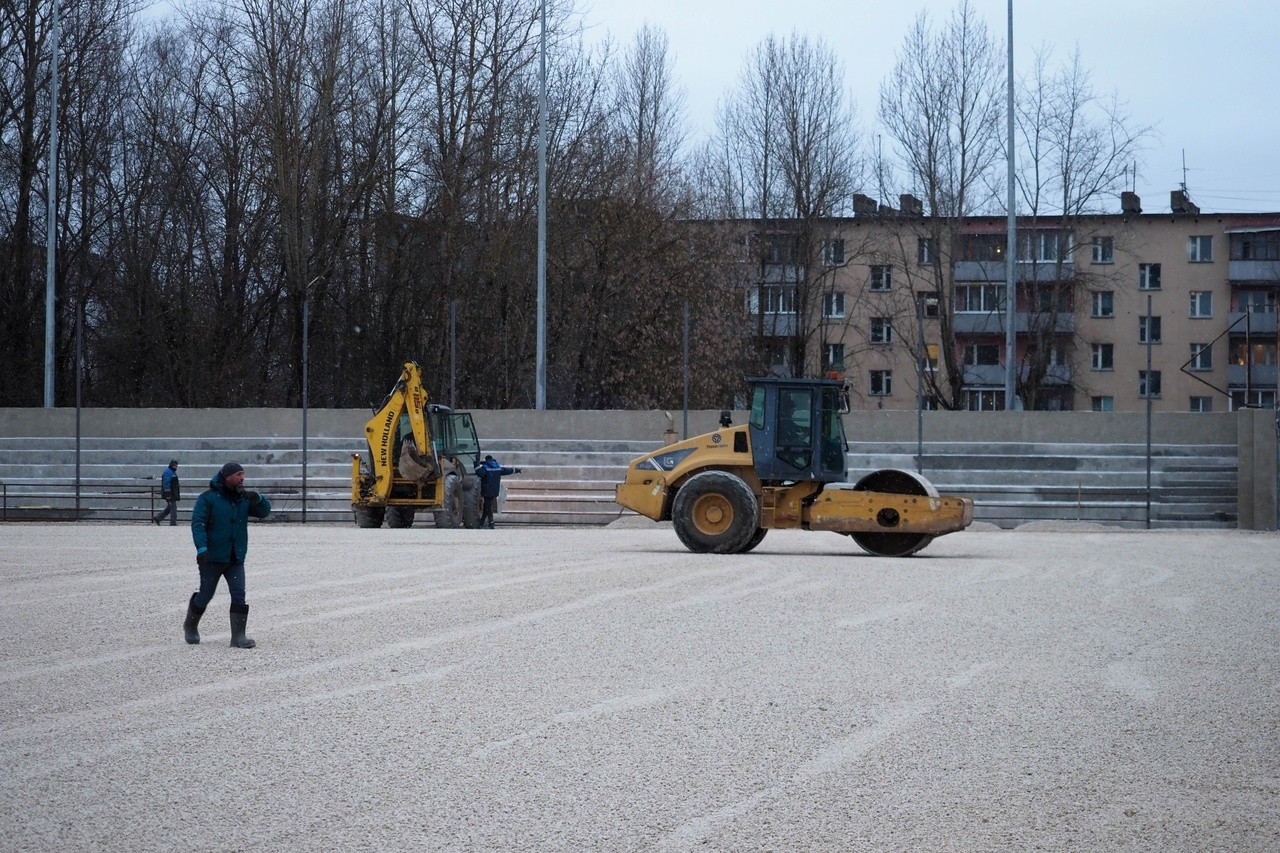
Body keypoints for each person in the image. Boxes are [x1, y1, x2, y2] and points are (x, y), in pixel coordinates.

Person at [183, 462, 271, 648]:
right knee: (205, 596)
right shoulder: (207, 498)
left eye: (243, 474)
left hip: (235, 557)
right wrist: (201, 548)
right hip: (212, 558)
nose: (243, 478)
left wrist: (259, 499)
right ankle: (190, 625)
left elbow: (264, 513)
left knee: (239, 593)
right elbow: (198, 524)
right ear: (227, 477)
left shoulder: (243, 498)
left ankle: (238, 637)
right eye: (239, 474)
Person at [474, 454, 520, 529]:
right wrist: (517, 470)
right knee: (487, 506)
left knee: (488, 506)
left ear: (486, 460)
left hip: (487, 490)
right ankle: (481, 522)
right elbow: (507, 470)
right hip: (495, 490)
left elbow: (479, 473)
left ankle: (491, 523)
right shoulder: (497, 467)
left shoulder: (485, 467)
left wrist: (476, 464)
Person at [152, 459, 181, 526]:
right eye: (176, 465)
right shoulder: (169, 472)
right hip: (170, 494)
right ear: (173, 466)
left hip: (171, 493)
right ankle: (173, 522)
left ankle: (158, 518)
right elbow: (166, 484)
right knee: (173, 508)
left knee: (169, 507)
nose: (177, 467)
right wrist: (168, 494)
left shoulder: (170, 471)